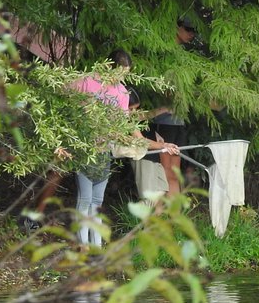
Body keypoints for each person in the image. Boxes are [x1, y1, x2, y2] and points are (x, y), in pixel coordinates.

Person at [69, 51, 179, 246]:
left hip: (104, 153)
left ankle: (96, 247)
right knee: (84, 199)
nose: (121, 79)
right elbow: (64, 95)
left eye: (125, 75)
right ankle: (83, 248)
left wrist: (163, 146)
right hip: (84, 149)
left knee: (97, 202)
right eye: (119, 73)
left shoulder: (121, 92)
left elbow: (131, 131)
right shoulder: (86, 82)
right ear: (108, 66)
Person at [146, 18, 195, 197]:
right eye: (189, 29)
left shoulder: (182, 57)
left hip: (178, 121)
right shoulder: (162, 54)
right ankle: (163, 214)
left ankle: (174, 215)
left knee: (174, 171)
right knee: (165, 170)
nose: (192, 34)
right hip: (162, 121)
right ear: (177, 28)